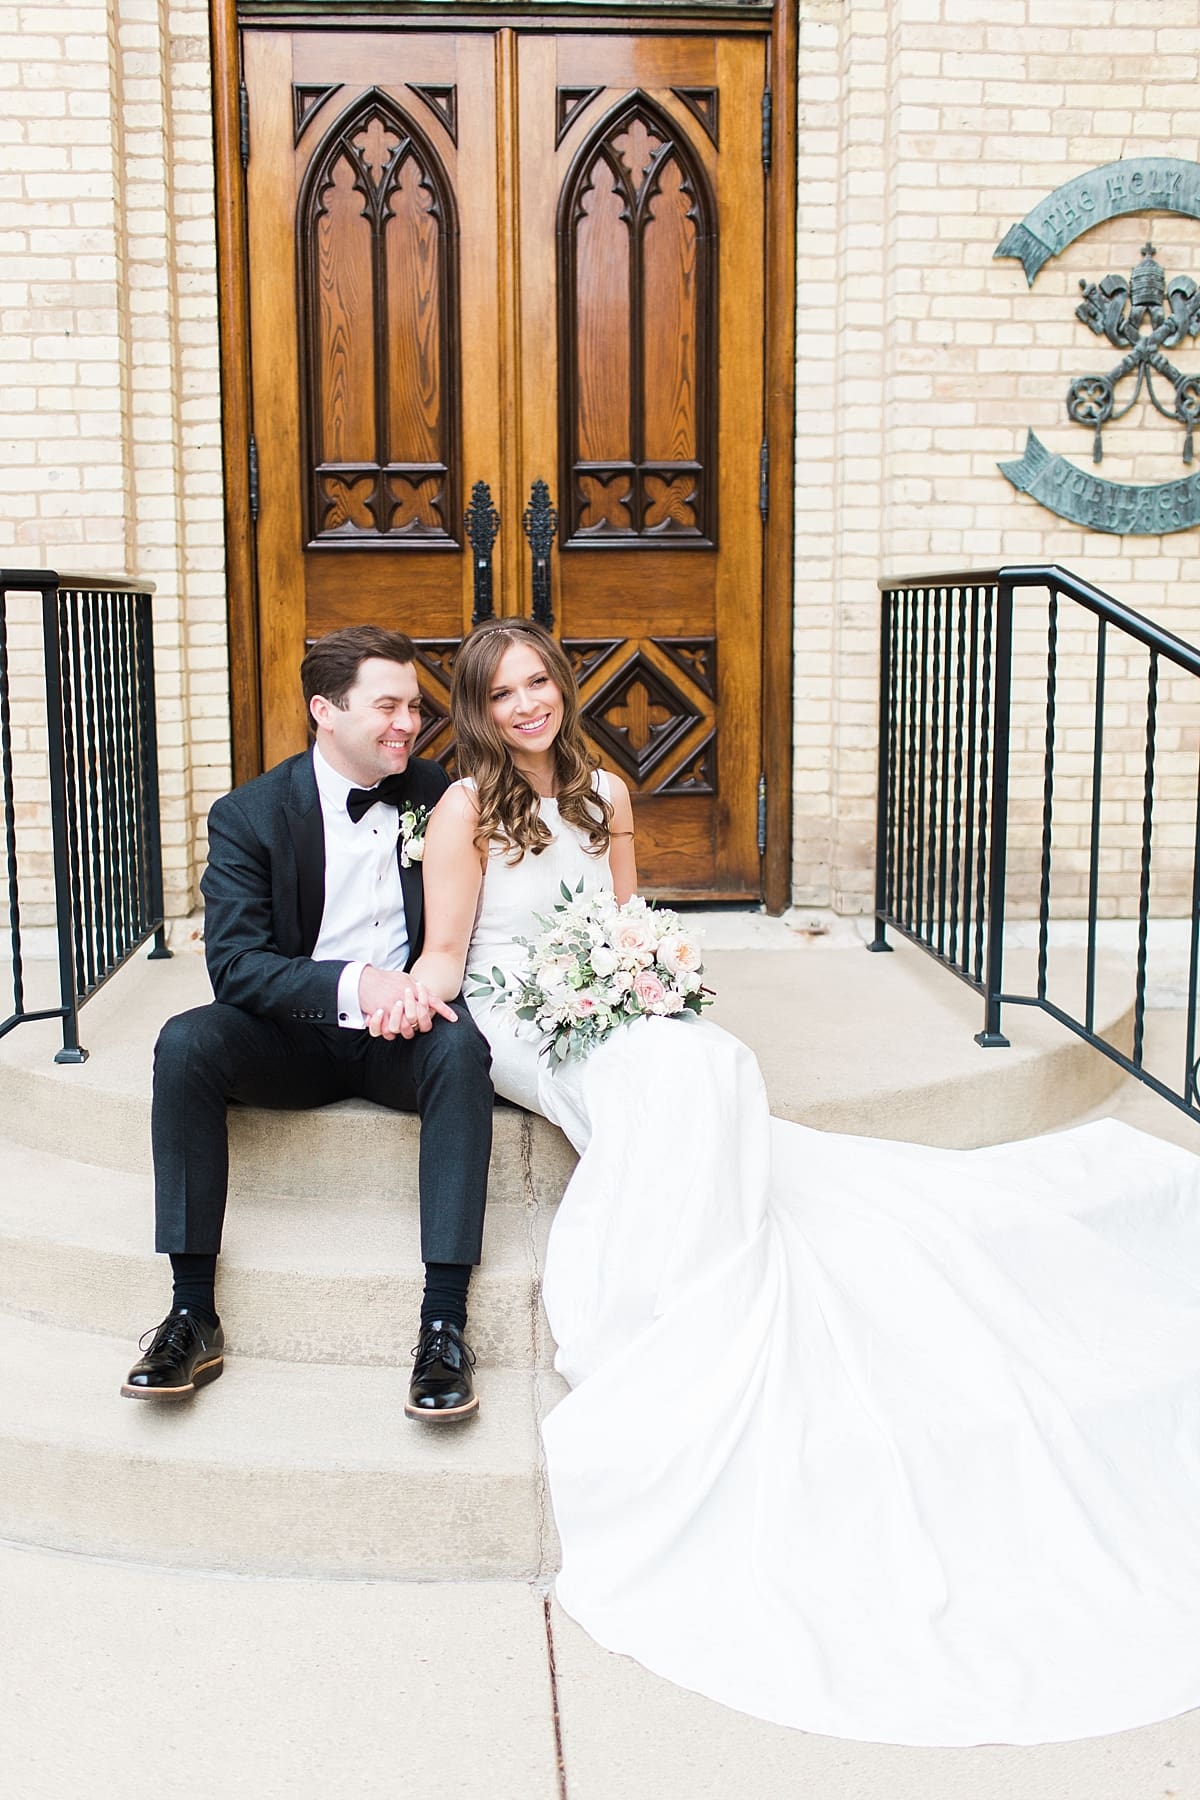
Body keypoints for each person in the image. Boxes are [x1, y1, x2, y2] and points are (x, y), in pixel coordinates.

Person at [377, 615, 1200, 1747]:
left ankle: (717, 1269)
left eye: (538, 684)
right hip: (523, 1016)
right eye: (503, 693)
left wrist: (648, 976)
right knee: (665, 1081)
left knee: (712, 1059)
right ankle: (668, 1302)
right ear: (476, 708)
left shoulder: (607, 794)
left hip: (606, 995)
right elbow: (453, 956)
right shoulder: (465, 809)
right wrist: (391, 995)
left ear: (559, 686)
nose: (528, 707)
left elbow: (627, 923)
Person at [122, 625, 493, 1422]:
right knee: (186, 1040)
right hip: (296, 1036)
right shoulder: (249, 815)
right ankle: (192, 1313)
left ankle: (444, 1323)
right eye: (387, 706)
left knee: (463, 1048)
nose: (407, 723)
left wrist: (420, 992)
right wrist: (361, 983)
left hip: (408, 1037)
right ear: (324, 709)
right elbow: (237, 966)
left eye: (414, 707)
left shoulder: (439, 794)